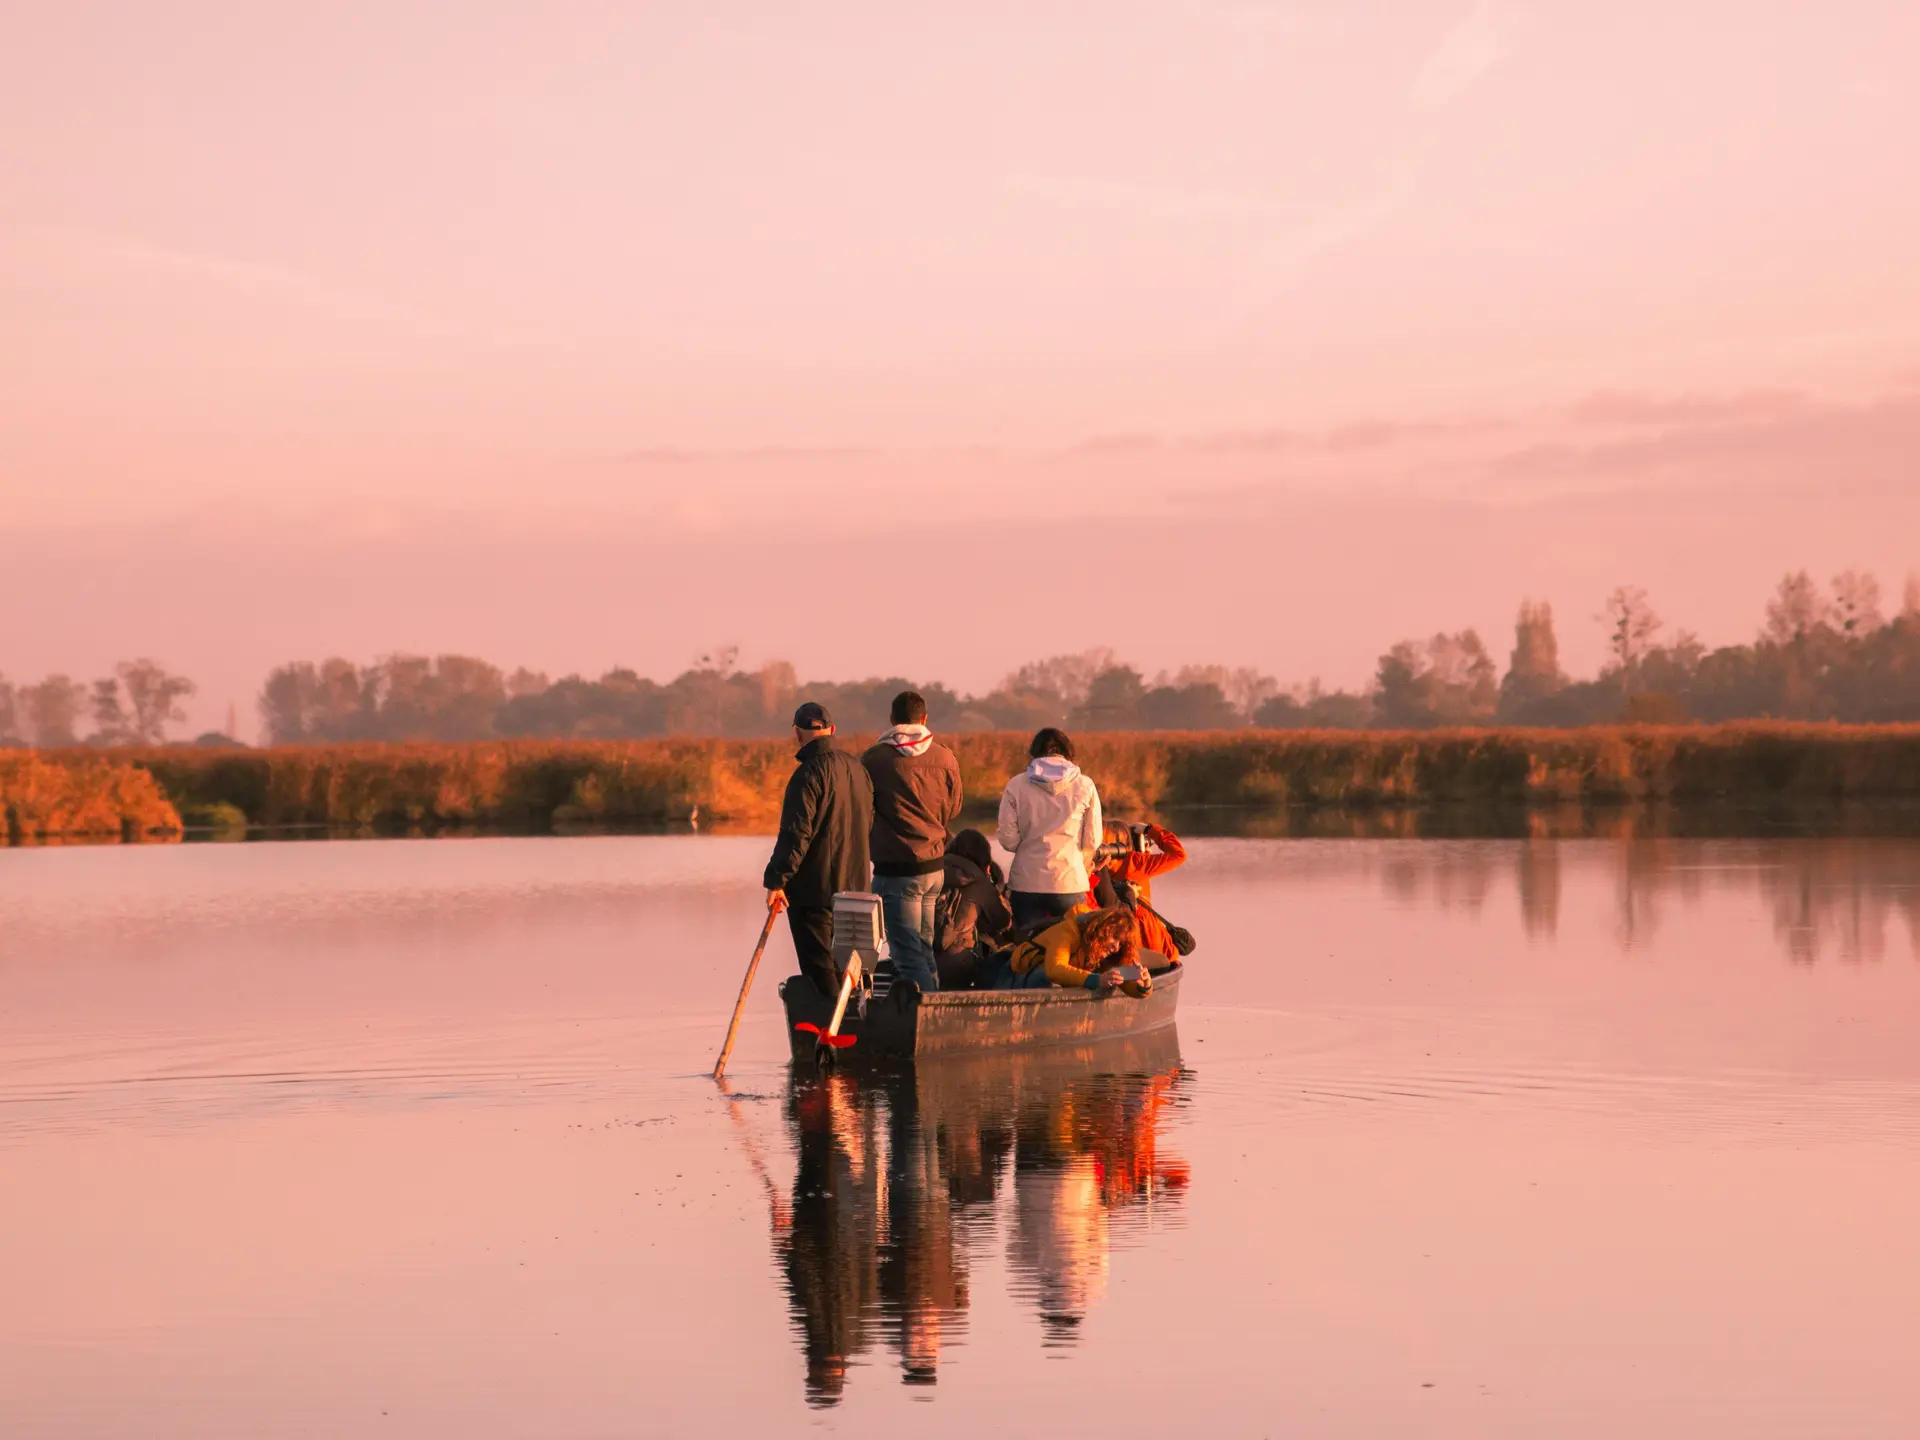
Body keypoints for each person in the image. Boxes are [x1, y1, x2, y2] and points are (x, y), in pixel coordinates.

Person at [764, 702, 875, 998]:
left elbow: (796, 834)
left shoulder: (807, 775)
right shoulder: (858, 769)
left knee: (821, 974)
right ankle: (858, 1032)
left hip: (817, 896)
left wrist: (777, 880)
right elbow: (869, 824)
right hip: (858, 891)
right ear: (832, 731)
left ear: (797, 733)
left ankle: (829, 1036)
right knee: (852, 971)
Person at [861, 691, 963, 994]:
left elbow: (862, 809)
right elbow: (954, 808)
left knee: (906, 957)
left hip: (897, 872)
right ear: (925, 719)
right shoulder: (945, 757)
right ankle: (933, 1008)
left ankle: (926, 1017)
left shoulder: (875, 759)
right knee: (923, 950)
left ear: (892, 720)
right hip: (933, 868)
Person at [996, 728, 1103, 931]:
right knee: (1072, 949)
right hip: (1070, 882)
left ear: (1035, 752)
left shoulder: (1016, 785)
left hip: (1026, 882)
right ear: (1067, 751)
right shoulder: (1085, 785)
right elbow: (1092, 840)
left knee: (1028, 951)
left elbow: (1008, 841)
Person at [1091, 821, 1189, 969]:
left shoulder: (1134, 862)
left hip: (1146, 940)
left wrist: (1151, 830)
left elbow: (1178, 855)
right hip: (1119, 939)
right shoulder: (1103, 866)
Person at [933, 828, 1012, 990]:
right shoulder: (981, 882)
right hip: (960, 965)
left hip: (923, 962)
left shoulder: (933, 870)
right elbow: (1003, 922)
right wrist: (995, 890)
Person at [1005, 906, 1149, 995]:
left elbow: (1121, 981)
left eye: (1121, 943)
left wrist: (1143, 985)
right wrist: (1096, 980)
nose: (1116, 947)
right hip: (1017, 978)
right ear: (1103, 929)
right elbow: (1055, 969)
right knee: (1044, 976)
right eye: (1115, 937)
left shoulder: (1102, 951)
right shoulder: (1067, 932)